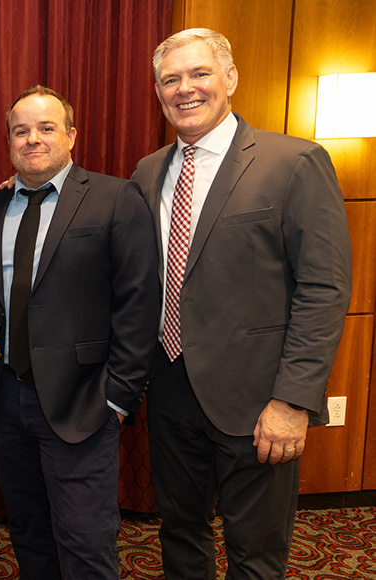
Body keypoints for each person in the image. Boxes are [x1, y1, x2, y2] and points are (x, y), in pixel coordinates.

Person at [132, 28, 351, 579]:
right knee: (181, 533)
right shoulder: (147, 171)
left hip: (259, 401)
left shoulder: (294, 162)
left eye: (199, 73)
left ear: (229, 78)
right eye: (170, 79)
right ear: (158, 93)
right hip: (169, 387)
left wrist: (293, 400)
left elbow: (324, 289)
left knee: (255, 551)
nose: (185, 88)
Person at [0, 86, 161, 579]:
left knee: (86, 543)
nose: (33, 139)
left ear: (71, 135)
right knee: (29, 534)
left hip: (83, 403)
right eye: (21, 130)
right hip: (4, 399)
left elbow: (139, 305)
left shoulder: (116, 197)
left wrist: (118, 399)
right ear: (8, 141)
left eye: (46, 128)